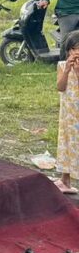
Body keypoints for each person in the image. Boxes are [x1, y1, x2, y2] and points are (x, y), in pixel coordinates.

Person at [55, 31, 79, 194]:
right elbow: (60, 87)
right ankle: (65, 179)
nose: (76, 53)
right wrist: (68, 71)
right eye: (73, 49)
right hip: (68, 115)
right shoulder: (62, 65)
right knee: (66, 143)